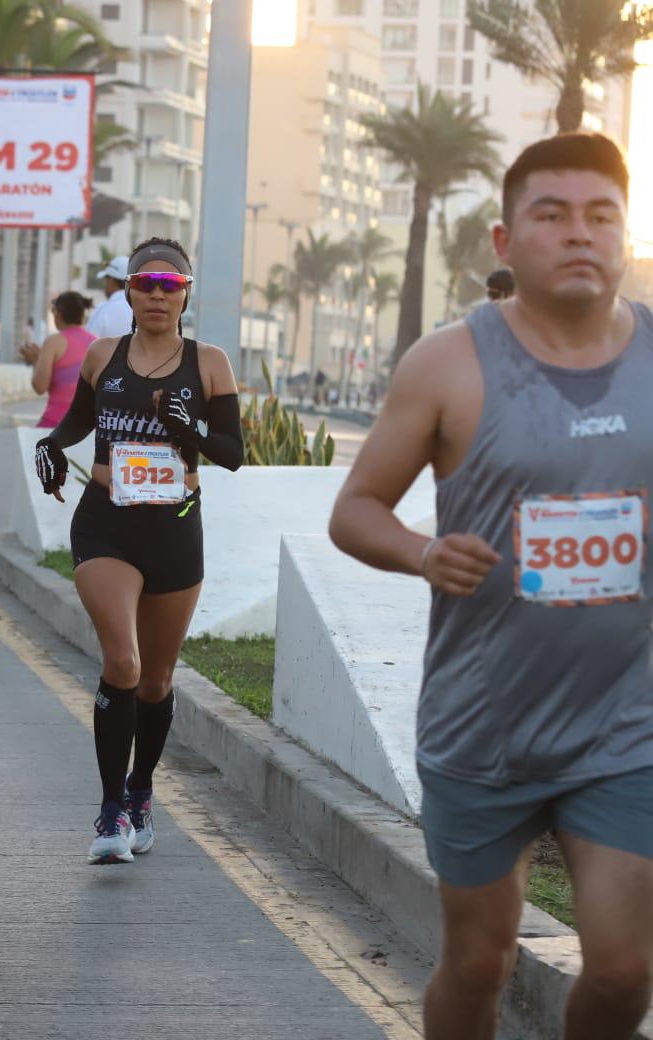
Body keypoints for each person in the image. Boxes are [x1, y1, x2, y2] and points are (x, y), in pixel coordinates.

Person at [329, 133, 653, 1039]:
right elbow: (355, 510)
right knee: (479, 963)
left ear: (626, 233)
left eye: (601, 215)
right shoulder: (447, 363)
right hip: (482, 726)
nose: (579, 233)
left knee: (625, 971)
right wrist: (423, 554)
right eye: (552, 215)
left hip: (626, 726)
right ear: (507, 241)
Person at [33, 238, 244, 865]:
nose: (156, 293)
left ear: (185, 294)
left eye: (169, 284)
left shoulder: (210, 363)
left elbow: (232, 453)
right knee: (121, 662)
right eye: (145, 282)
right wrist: (52, 444)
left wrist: (188, 425)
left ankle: (141, 789)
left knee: (155, 680)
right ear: (126, 290)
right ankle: (110, 811)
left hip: (174, 526)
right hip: (108, 522)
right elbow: (79, 420)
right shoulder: (103, 355)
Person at [20, 291, 94, 428]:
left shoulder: (53, 342)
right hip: (89, 425)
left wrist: (35, 361)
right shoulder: (96, 342)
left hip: (56, 422)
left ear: (58, 313)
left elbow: (40, 387)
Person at [85, 256, 134, 339]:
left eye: (106, 278)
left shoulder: (103, 309)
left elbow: (87, 343)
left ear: (111, 280)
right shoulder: (139, 308)